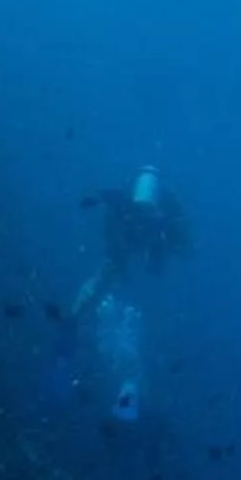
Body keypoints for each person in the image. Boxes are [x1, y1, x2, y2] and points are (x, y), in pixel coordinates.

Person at [67, 166, 189, 423]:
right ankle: (125, 409)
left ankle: (72, 326)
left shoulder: (128, 202)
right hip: (142, 252)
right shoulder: (164, 208)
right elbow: (182, 244)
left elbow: (109, 213)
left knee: (107, 295)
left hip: (126, 247)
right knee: (132, 361)